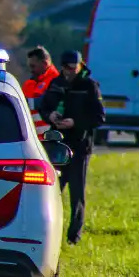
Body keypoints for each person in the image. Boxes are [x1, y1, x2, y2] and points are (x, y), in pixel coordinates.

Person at [38, 50, 105, 245]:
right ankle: (49, 232)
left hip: (80, 145)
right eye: (65, 68)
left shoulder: (90, 86)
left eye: (72, 68)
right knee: (52, 190)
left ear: (80, 65)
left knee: (77, 194)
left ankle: (73, 236)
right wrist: (49, 116)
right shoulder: (57, 83)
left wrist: (75, 122)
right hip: (58, 145)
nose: (68, 72)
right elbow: (44, 106)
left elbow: (99, 117)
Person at [22, 46, 60, 139]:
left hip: (49, 139)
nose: (31, 70)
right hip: (30, 139)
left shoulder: (57, 82)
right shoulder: (29, 84)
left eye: (33, 66)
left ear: (44, 63)